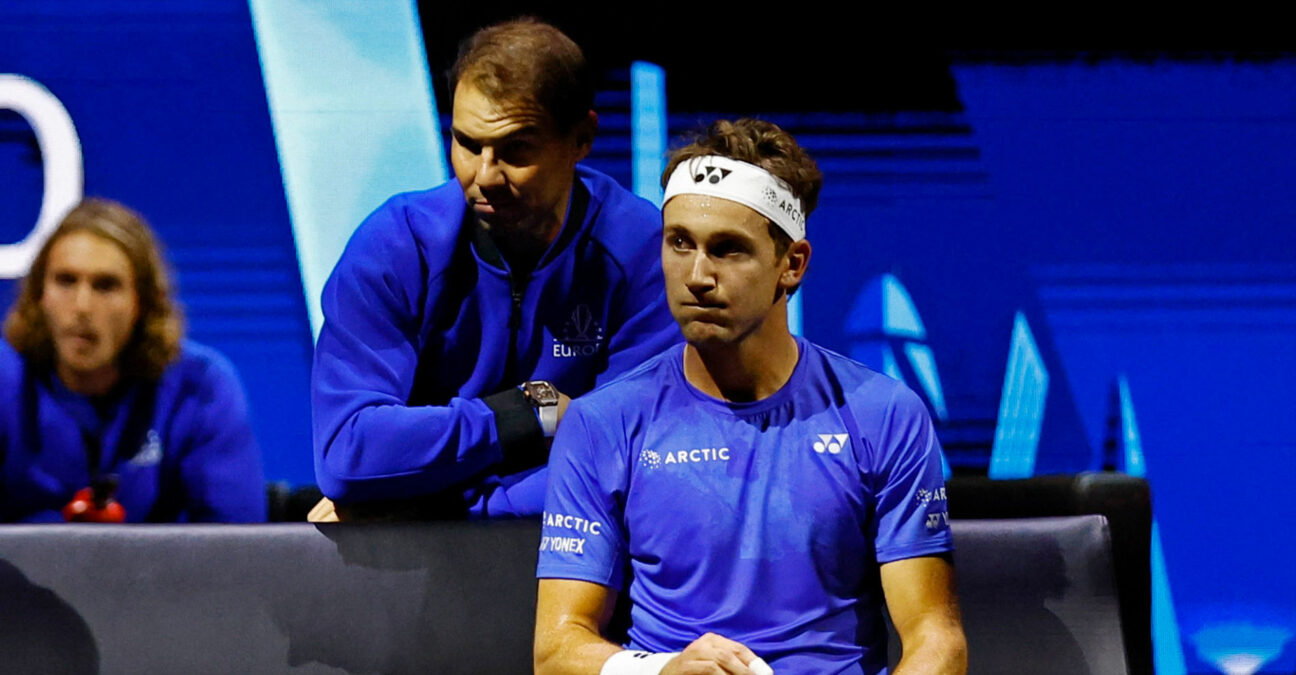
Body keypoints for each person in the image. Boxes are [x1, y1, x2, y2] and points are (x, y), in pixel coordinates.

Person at [534, 119, 968, 674]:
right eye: (679, 243)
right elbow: (556, 650)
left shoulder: (884, 416)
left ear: (792, 264)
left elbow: (937, 640)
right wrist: (662, 671)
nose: (696, 275)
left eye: (728, 250)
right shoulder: (601, 424)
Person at [310, 18, 678, 520]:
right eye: (466, 143)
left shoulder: (641, 252)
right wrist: (531, 410)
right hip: (435, 572)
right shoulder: (395, 246)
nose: (483, 176)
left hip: (581, 563)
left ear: (582, 137)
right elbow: (348, 455)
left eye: (515, 150)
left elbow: (628, 463)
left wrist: (428, 505)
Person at [0, 198, 266, 523]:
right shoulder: (6, 380)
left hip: (158, 573)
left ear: (143, 302)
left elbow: (236, 547)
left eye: (106, 285)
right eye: (66, 281)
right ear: (39, 294)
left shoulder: (200, 387)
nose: (82, 306)